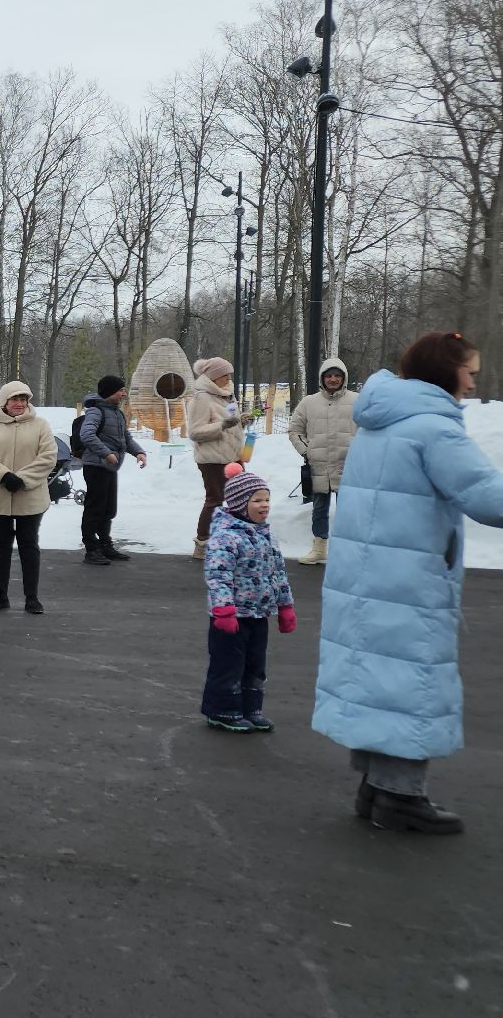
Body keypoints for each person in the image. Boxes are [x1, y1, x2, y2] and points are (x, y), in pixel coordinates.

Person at [313, 332, 503, 835]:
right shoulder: (433, 429)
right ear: (447, 372)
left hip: (371, 575)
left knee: (377, 676)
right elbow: (488, 497)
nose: (472, 380)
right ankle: (401, 795)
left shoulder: (382, 423)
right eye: (470, 371)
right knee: (408, 680)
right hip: (409, 579)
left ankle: (376, 785)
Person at [200, 464, 294, 733]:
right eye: (257, 500)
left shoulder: (265, 535)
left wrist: (285, 606)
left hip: (258, 614)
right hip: (231, 617)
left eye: (267, 499)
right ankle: (223, 710)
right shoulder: (226, 537)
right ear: (241, 504)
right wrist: (224, 610)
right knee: (228, 665)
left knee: (255, 664)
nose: (264, 505)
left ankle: (251, 707)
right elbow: (218, 575)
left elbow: (278, 573)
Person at [0, 381, 57, 614]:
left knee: (29, 545)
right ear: (5, 402)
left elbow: (48, 456)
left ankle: (32, 597)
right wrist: (4, 476)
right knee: (1, 546)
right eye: (14, 399)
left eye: (23, 399)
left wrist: (22, 478)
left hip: (30, 497)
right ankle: (0, 594)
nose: (19, 404)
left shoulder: (40, 425)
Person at [288, 358, 358, 565]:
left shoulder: (357, 401)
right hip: (318, 466)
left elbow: (369, 430)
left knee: (349, 511)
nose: (333, 379)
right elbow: (295, 430)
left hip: (349, 467)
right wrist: (306, 451)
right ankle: (319, 549)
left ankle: (348, 552)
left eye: (337, 375)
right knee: (319, 510)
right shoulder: (309, 403)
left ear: (344, 378)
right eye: (329, 375)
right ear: (322, 378)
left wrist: (360, 452)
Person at [73, 375, 149, 566]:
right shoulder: (96, 412)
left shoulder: (117, 413)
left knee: (108, 508)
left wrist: (138, 452)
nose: (124, 394)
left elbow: (126, 438)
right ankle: (91, 549)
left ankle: (105, 544)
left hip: (109, 467)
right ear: (109, 392)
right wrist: (106, 453)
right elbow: (86, 435)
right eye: (120, 391)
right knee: (95, 508)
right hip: (96, 466)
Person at [185, 357, 249, 560]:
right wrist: (222, 425)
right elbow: (195, 432)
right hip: (212, 460)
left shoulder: (227, 395)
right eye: (225, 375)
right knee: (215, 499)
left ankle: (233, 541)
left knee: (241, 496)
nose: (229, 378)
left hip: (233, 457)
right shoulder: (201, 398)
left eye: (229, 374)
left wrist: (241, 422)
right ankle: (202, 543)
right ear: (213, 377)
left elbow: (230, 423)